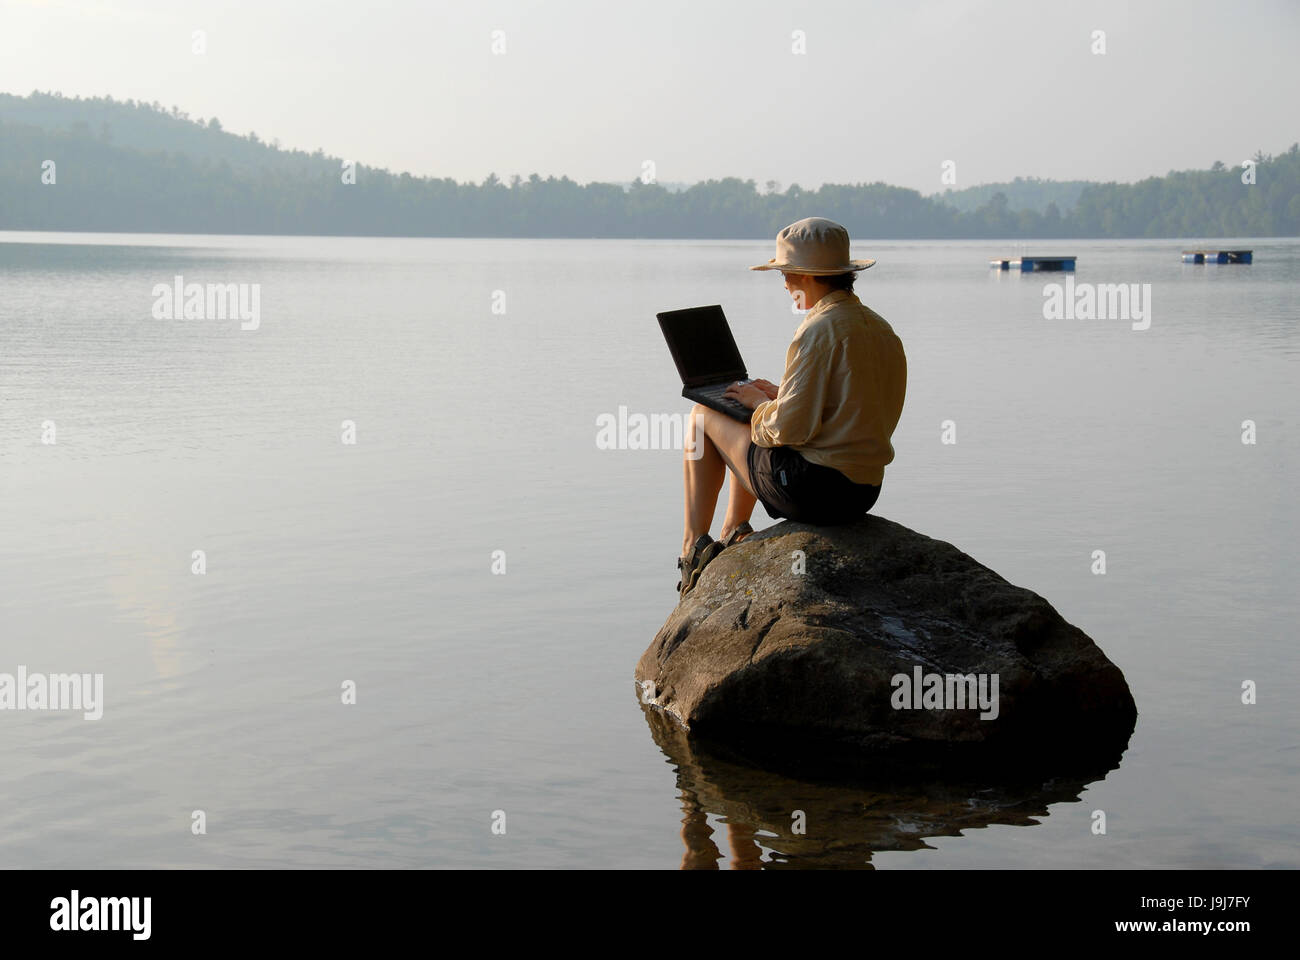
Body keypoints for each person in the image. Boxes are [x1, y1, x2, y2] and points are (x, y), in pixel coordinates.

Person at [676, 216, 907, 598]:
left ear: (806, 275)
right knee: (747, 415)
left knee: (704, 416)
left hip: (814, 490)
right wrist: (780, 396)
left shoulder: (818, 330)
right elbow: (855, 405)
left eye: (786, 273)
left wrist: (761, 407)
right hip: (863, 489)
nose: (783, 283)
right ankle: (734, 530)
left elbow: (790, 430)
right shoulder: (880, 328)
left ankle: (691, 548)